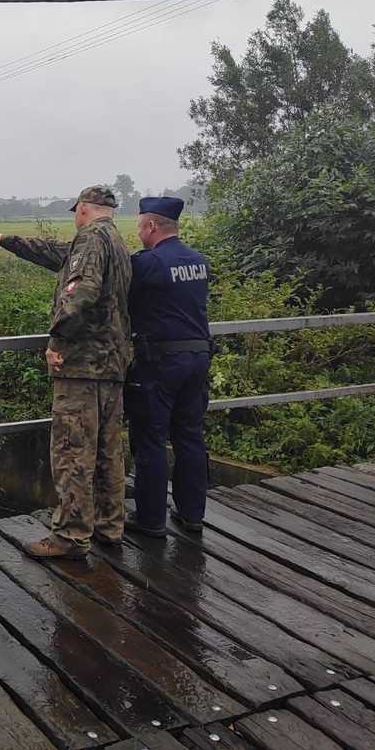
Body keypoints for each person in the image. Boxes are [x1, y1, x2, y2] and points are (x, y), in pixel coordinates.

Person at [0, 186, 132, 560]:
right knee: (108, 451)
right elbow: (59, 255)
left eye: (75, 211)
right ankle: (109, 526)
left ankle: (70, 535)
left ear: (83, 209)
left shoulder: (90, 239)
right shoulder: (114, 240)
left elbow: (81, 291)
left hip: (81, 365)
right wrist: (10, 241)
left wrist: (57, 341)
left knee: (73, 450)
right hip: (111, 364)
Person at [124, 196, 212, 537]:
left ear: (151, 226)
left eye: (139, 226)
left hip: (160, 362)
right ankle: (192, 514)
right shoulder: (199, 261)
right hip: (198, 358)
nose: (138, 233)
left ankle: (150, 519)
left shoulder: (148, 263)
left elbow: (122, 297)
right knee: (190, 436)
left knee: (151, 438)